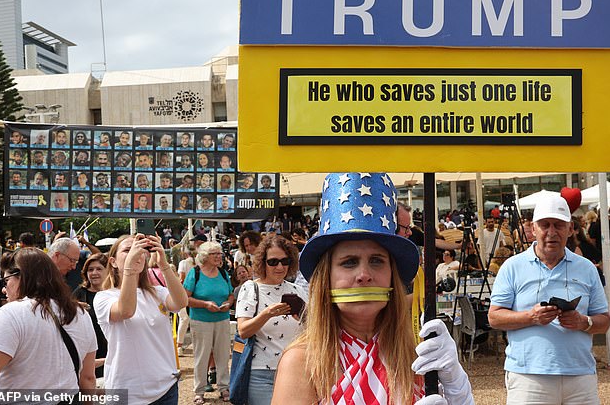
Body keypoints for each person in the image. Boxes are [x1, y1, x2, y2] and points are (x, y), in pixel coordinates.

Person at [272, 173, 473, 405]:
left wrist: (459, 392)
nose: (364, 275)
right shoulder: (302, 361)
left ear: (391, 277)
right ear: (326, 278)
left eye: (377, 260)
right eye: (349, 262)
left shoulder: (416, 358)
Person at [489, 196, 610, 404]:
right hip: (529, 377)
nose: (551, 232)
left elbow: (605, 321)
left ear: (570, 229)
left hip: (580, 375)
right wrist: (531, 317)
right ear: (533, 228)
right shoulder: (512, 267)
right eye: (545, 225)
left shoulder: (587, 268)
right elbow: (494, 317)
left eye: (559, 225)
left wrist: (584, 322)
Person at [0, 248, 97, 397]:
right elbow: (87, 378)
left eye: (6, 280)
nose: (4, 289)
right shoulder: (80, 314)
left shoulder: (11, 313)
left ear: (22, 277)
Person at [94, 234, 187, 404]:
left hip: (165, 388)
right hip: (127, 391)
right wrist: (129, 269)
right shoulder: (103, 297)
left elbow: (181, 302)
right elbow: (126, 310)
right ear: (113, 262)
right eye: (127, 250)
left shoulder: (157, 292)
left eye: (140, 249)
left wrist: (163, 264)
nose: (135, 253)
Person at [236, 236, 307, 405]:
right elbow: (243, 331)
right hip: (262, 374)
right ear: (262, 262)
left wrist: (305, 318)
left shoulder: (298, 290)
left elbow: (313, 331)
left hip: (296, 371)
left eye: (285, 261)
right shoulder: (250, 288)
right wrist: (266, 314)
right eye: (273, 262)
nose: (280, 266)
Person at [183, 241, 234, 404]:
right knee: (201, 355)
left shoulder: (223, 273)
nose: (220, 257)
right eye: (215, 254)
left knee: (223, 354)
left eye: (220, 253)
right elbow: (185, 298)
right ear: (205, 256)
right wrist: (205, 304)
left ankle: (224, 387)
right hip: (201, 320)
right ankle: (199, 390)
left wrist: (229, 303)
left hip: (222, 319)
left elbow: (230, 294)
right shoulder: (194, 273)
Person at [73, 253, 109, 379]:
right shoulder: (79, 294)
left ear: (108, 271)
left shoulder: (114, 293)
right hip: (89, 356)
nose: (94, 273)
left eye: (99, 269)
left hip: (112, 353)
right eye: (90, 269)